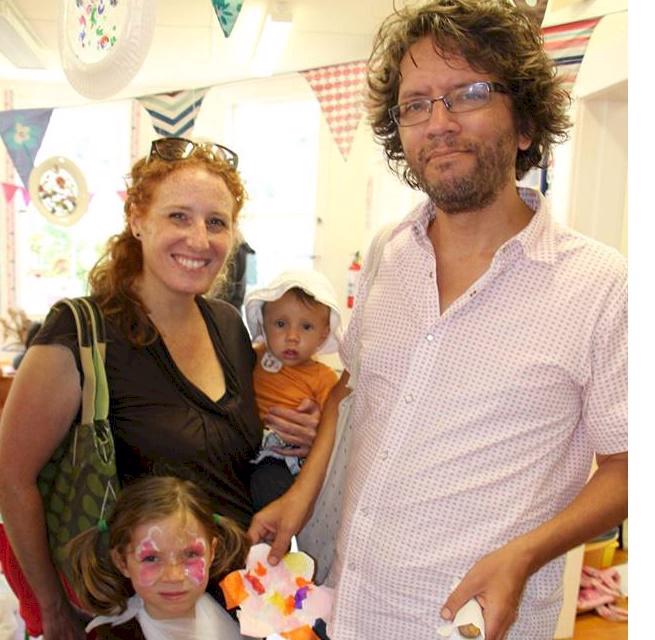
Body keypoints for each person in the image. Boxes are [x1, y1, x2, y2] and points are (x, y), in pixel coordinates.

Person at [248, 1, 628, 639]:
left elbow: (630, 464)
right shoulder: (388, 253)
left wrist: (526, 554)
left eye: (469, 94)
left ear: (526, 122)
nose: (439, 123)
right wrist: (300, 497)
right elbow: (354, 389)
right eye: (416, 104)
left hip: (472, 623)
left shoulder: (600, 284)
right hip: (356, 608)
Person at [0, 137, 320, 640]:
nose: (199, 239)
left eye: (216, 222)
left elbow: (235, 450)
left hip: (235, 603)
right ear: (137, 220)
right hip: (131, 614)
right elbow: (11, 476)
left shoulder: (227, 325)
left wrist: (298, 431)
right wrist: (53, 609)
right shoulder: (81, 334)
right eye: (178, 217)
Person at [65, 476, 248, 640]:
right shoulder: (115, 634)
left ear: (212, 552)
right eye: (151, 558)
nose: (174, 576)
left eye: (191, 554)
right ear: (122, 562)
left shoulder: (240, 605)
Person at [243, 270, 342, 510]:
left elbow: (332, 429)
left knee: (268, 487)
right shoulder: (251, 357)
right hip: (246, 446)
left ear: (323, 335)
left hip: (285, 456)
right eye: (280, 324)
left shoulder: (324, 378)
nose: (292, 337)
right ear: (264, 324)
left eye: (306, 327)